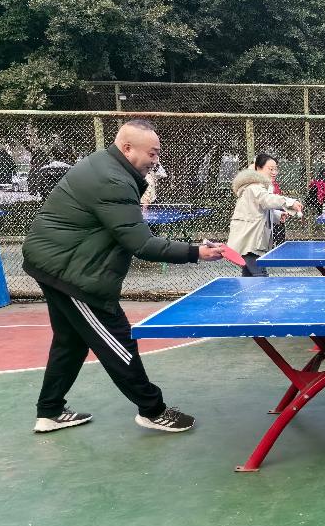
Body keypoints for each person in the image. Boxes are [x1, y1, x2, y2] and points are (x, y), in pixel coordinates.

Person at [21, 119, 224, 434]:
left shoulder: (108, 167)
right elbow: (141, 244)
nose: (156, 160)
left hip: (53, 263)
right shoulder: (113, 180)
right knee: (117, 341)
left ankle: (50, 411)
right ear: (127, 148)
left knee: (70, 342)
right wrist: (196, 252)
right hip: (73, 274)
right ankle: (152, 410)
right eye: (152, 153)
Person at [227, 153, 303, 277]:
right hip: (250, 241)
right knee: (261, 277)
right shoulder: (254, 187)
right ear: (258, 168)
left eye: (276, 169)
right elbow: (266, 200)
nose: (274, 172)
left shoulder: (258, 186)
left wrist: (277, 216)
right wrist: (290, 202)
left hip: (252, 241)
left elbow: (257, 211)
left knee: (249, 277)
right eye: (270, 169)